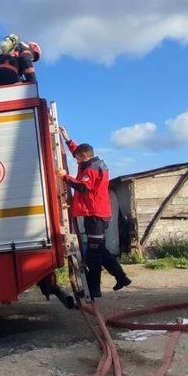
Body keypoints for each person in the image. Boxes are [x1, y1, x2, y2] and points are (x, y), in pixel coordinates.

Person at [57, 126, 131, 297]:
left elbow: (84, 187)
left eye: (77, 159)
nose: (76, 162)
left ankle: (94, 290)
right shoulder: (91, 162)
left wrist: (64, 177)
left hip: (95, 215)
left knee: (93, 255)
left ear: (84, 157)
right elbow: (78, 151)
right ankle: (121, 277)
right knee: (99, 251)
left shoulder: (91, 169)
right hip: (96, 214)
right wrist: (68, 139)